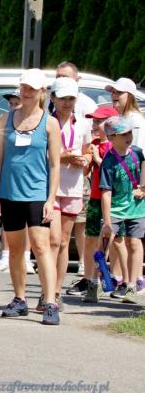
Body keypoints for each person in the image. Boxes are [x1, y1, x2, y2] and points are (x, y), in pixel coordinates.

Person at [0, 68, 62, 325]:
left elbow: (55, 164)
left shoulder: (50, 123)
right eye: (23, 87)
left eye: (32, 88)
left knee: (41, 246)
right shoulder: (5, 119)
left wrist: (51, 199)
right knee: (16, 249)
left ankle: (50, 301)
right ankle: (19, 299)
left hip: (37, 193)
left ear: (42, 91)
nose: (26, 92)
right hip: (9, 193)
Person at [48, 78, 92, 308]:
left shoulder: (83, 124)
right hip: (51, 188)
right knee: (53, 240)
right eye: (63, 98)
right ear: (53, 98)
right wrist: (62, 157)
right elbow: (42, 155)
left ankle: (56, 293)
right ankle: (47, 291)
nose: (67, 103)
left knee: (64, 241)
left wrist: (85, 159)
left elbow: (88, 152)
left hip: (74, 188)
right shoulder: (47, 122)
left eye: (71, 98)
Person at [0, 88, 36, 275]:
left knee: (28, 221)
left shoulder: (34, 121)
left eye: (17, 103)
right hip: (8, 177)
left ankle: (26, 258)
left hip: (29, 179)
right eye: (11, 104)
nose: (14, 106)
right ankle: (5, 256)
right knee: (6, 219)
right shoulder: (5, 121)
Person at [99, 116, 145, 303]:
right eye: (123, 134)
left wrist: (143, 187)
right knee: (106, 243)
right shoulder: (108, 162)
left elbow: (144, 167)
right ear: (111, 138)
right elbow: (106, 192)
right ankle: (99, 280)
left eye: (130, 133)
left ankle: (132, 285)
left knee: (134, 243)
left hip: (137, 208)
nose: (129, 137)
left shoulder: (138, 152)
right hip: (116, 209)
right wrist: (107, 221)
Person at [80, 105, 119, 303]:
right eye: (93, 121)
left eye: (98, 121)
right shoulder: (94, 143)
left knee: (105, 242)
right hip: (95, 198)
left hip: (111, 200)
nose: (94, 125)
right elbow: (85, 172)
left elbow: (112, 171)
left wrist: (97, 158)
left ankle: (105, 280)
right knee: (90, 239)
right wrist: (85, 159)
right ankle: (88, 279)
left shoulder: (114, 146)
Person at [107, 77, 144, 149]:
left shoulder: (135, 119)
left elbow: (137, 151)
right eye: (113, 92)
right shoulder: (121, 117)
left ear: (130, 96)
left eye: (119, 92)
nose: (114, 95)